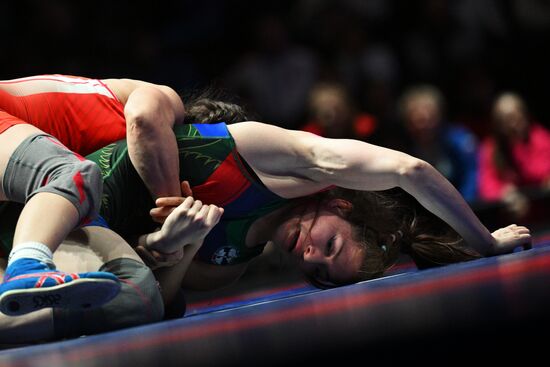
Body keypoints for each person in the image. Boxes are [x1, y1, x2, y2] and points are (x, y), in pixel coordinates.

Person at [0, 96, 531, 342]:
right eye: (329, 246)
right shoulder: (269, 157)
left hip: (78, 234)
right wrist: (483, 244)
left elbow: (156, 288)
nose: (308, 254)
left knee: (140, 300)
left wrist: (176, 243)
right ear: (341, 205)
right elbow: (406, 168)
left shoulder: (230, 265)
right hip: (53, 192)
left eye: (317, 270)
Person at [0, 74, 185, 316]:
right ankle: (27, 265)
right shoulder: (167, 102)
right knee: (72, 173)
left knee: (138, 295)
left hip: (18, 198)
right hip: (14, 138)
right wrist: (171, 205)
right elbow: (144, 118)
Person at [398, 84, 480, 203]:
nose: (424, 126)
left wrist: (462, 209)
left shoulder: (459, 141)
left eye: (430, 119)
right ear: (408, 121)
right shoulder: (400, 149)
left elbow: (471, 177)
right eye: (419, 120)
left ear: (440, 116)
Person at [478, 92, 550, 218]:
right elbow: (486, 186)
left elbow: (542, 172)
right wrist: (504, 192)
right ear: (497, 124)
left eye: (517, 118)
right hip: (510, 222)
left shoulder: (541, 137)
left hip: (543, 215)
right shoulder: (490, 147)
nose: (513, 125)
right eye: (506, 120)